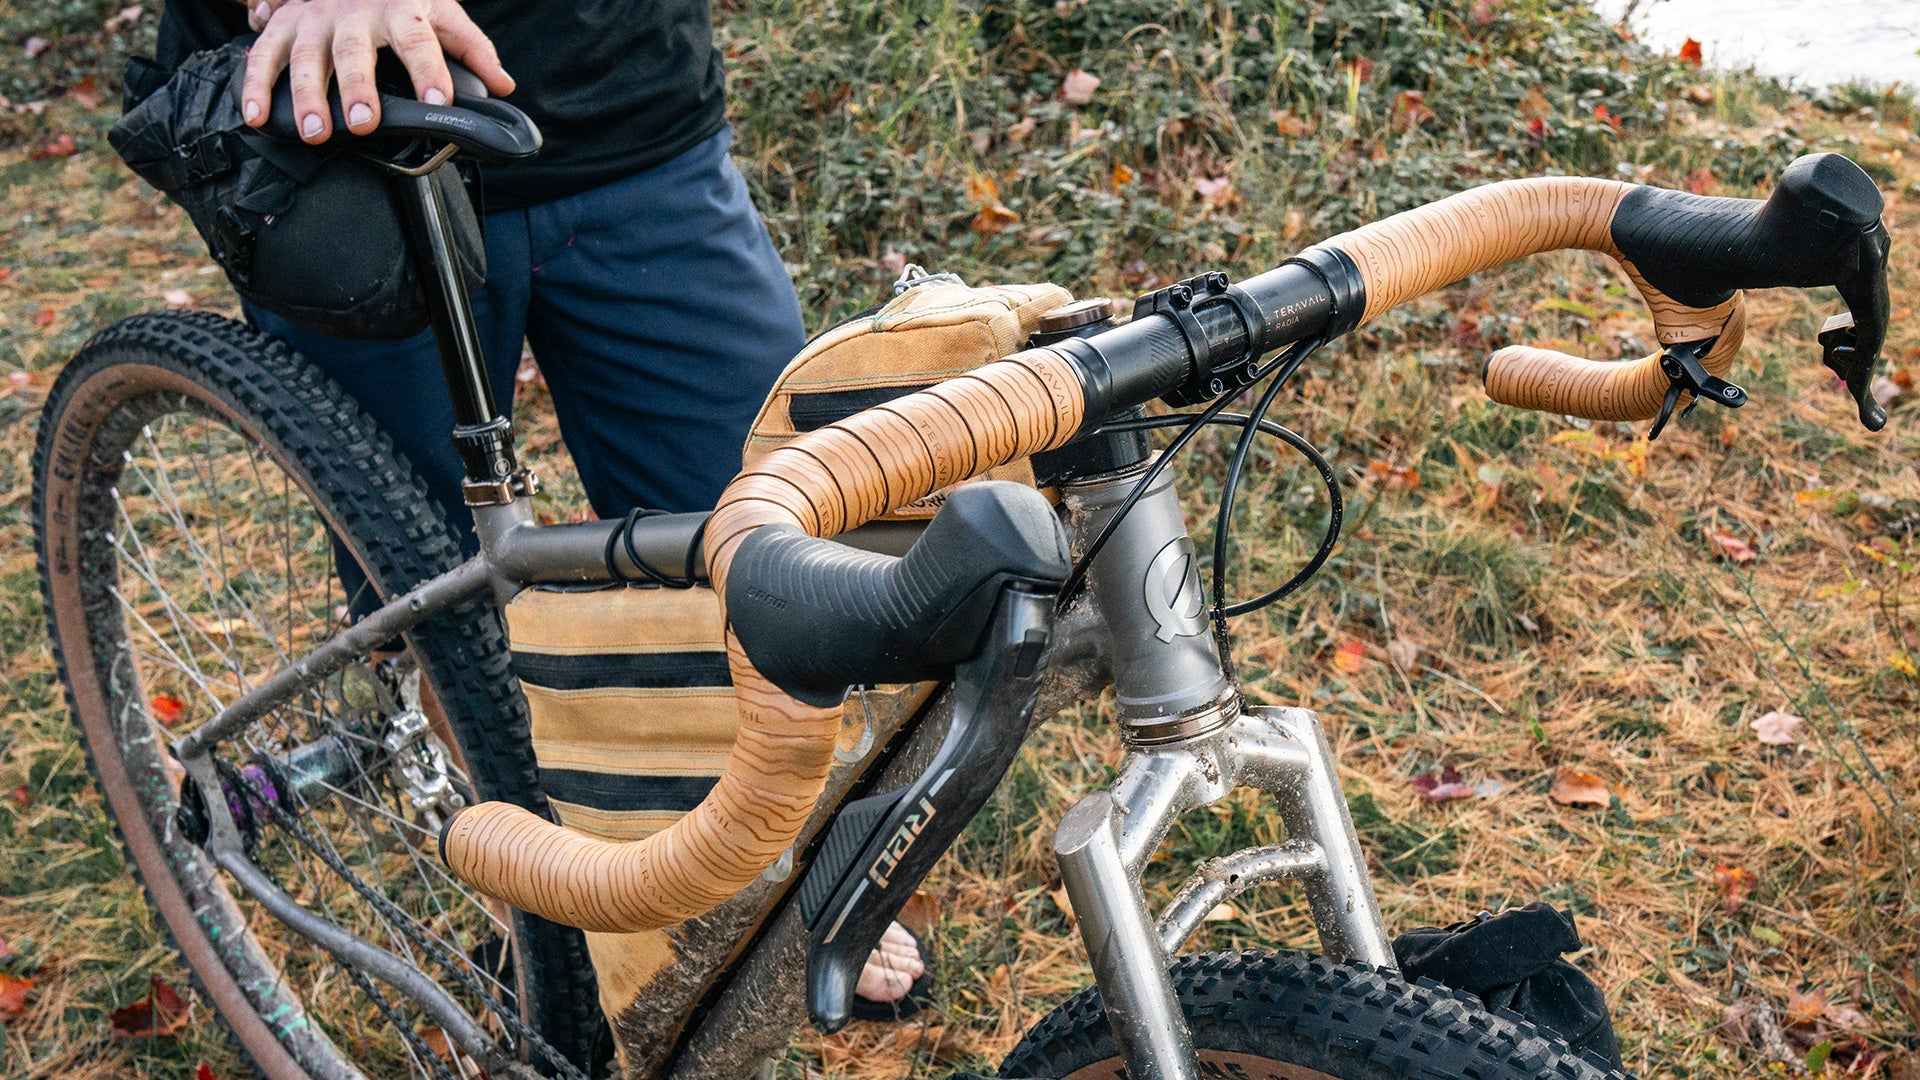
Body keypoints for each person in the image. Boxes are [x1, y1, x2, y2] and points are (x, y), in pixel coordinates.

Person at [155, 0, 930, 1011]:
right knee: (434, 589)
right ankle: (537, 905)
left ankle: (773, 861)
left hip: (621, 105)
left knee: (759, 531)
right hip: (339, 142)